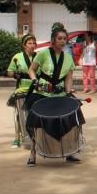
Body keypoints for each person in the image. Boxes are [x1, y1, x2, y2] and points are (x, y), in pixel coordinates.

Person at [26, 26, 83, 167]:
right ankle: (33, 152)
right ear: (53, 40)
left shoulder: (68, 58)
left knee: (73, 115)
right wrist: (35, 82)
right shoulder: (43, 54)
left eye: (65, 38)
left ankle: (70, 151)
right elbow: (31, 70)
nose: (63, 41)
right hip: (42, 93)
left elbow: (69, 78)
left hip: (60, 94)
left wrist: (69, 91)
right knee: (33, 122)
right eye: (60, 38)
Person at [6, 34, 37, 148]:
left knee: (35, 113)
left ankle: (36, 136)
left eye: (34, 43)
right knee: (20, 114)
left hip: (35, 88)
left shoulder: (38, 57)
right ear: (24, 45)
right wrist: (14, 74)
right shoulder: (17, 57)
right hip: (22, 88)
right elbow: (9, 71)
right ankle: (17, 138)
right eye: (29, 43)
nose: (32, 45)